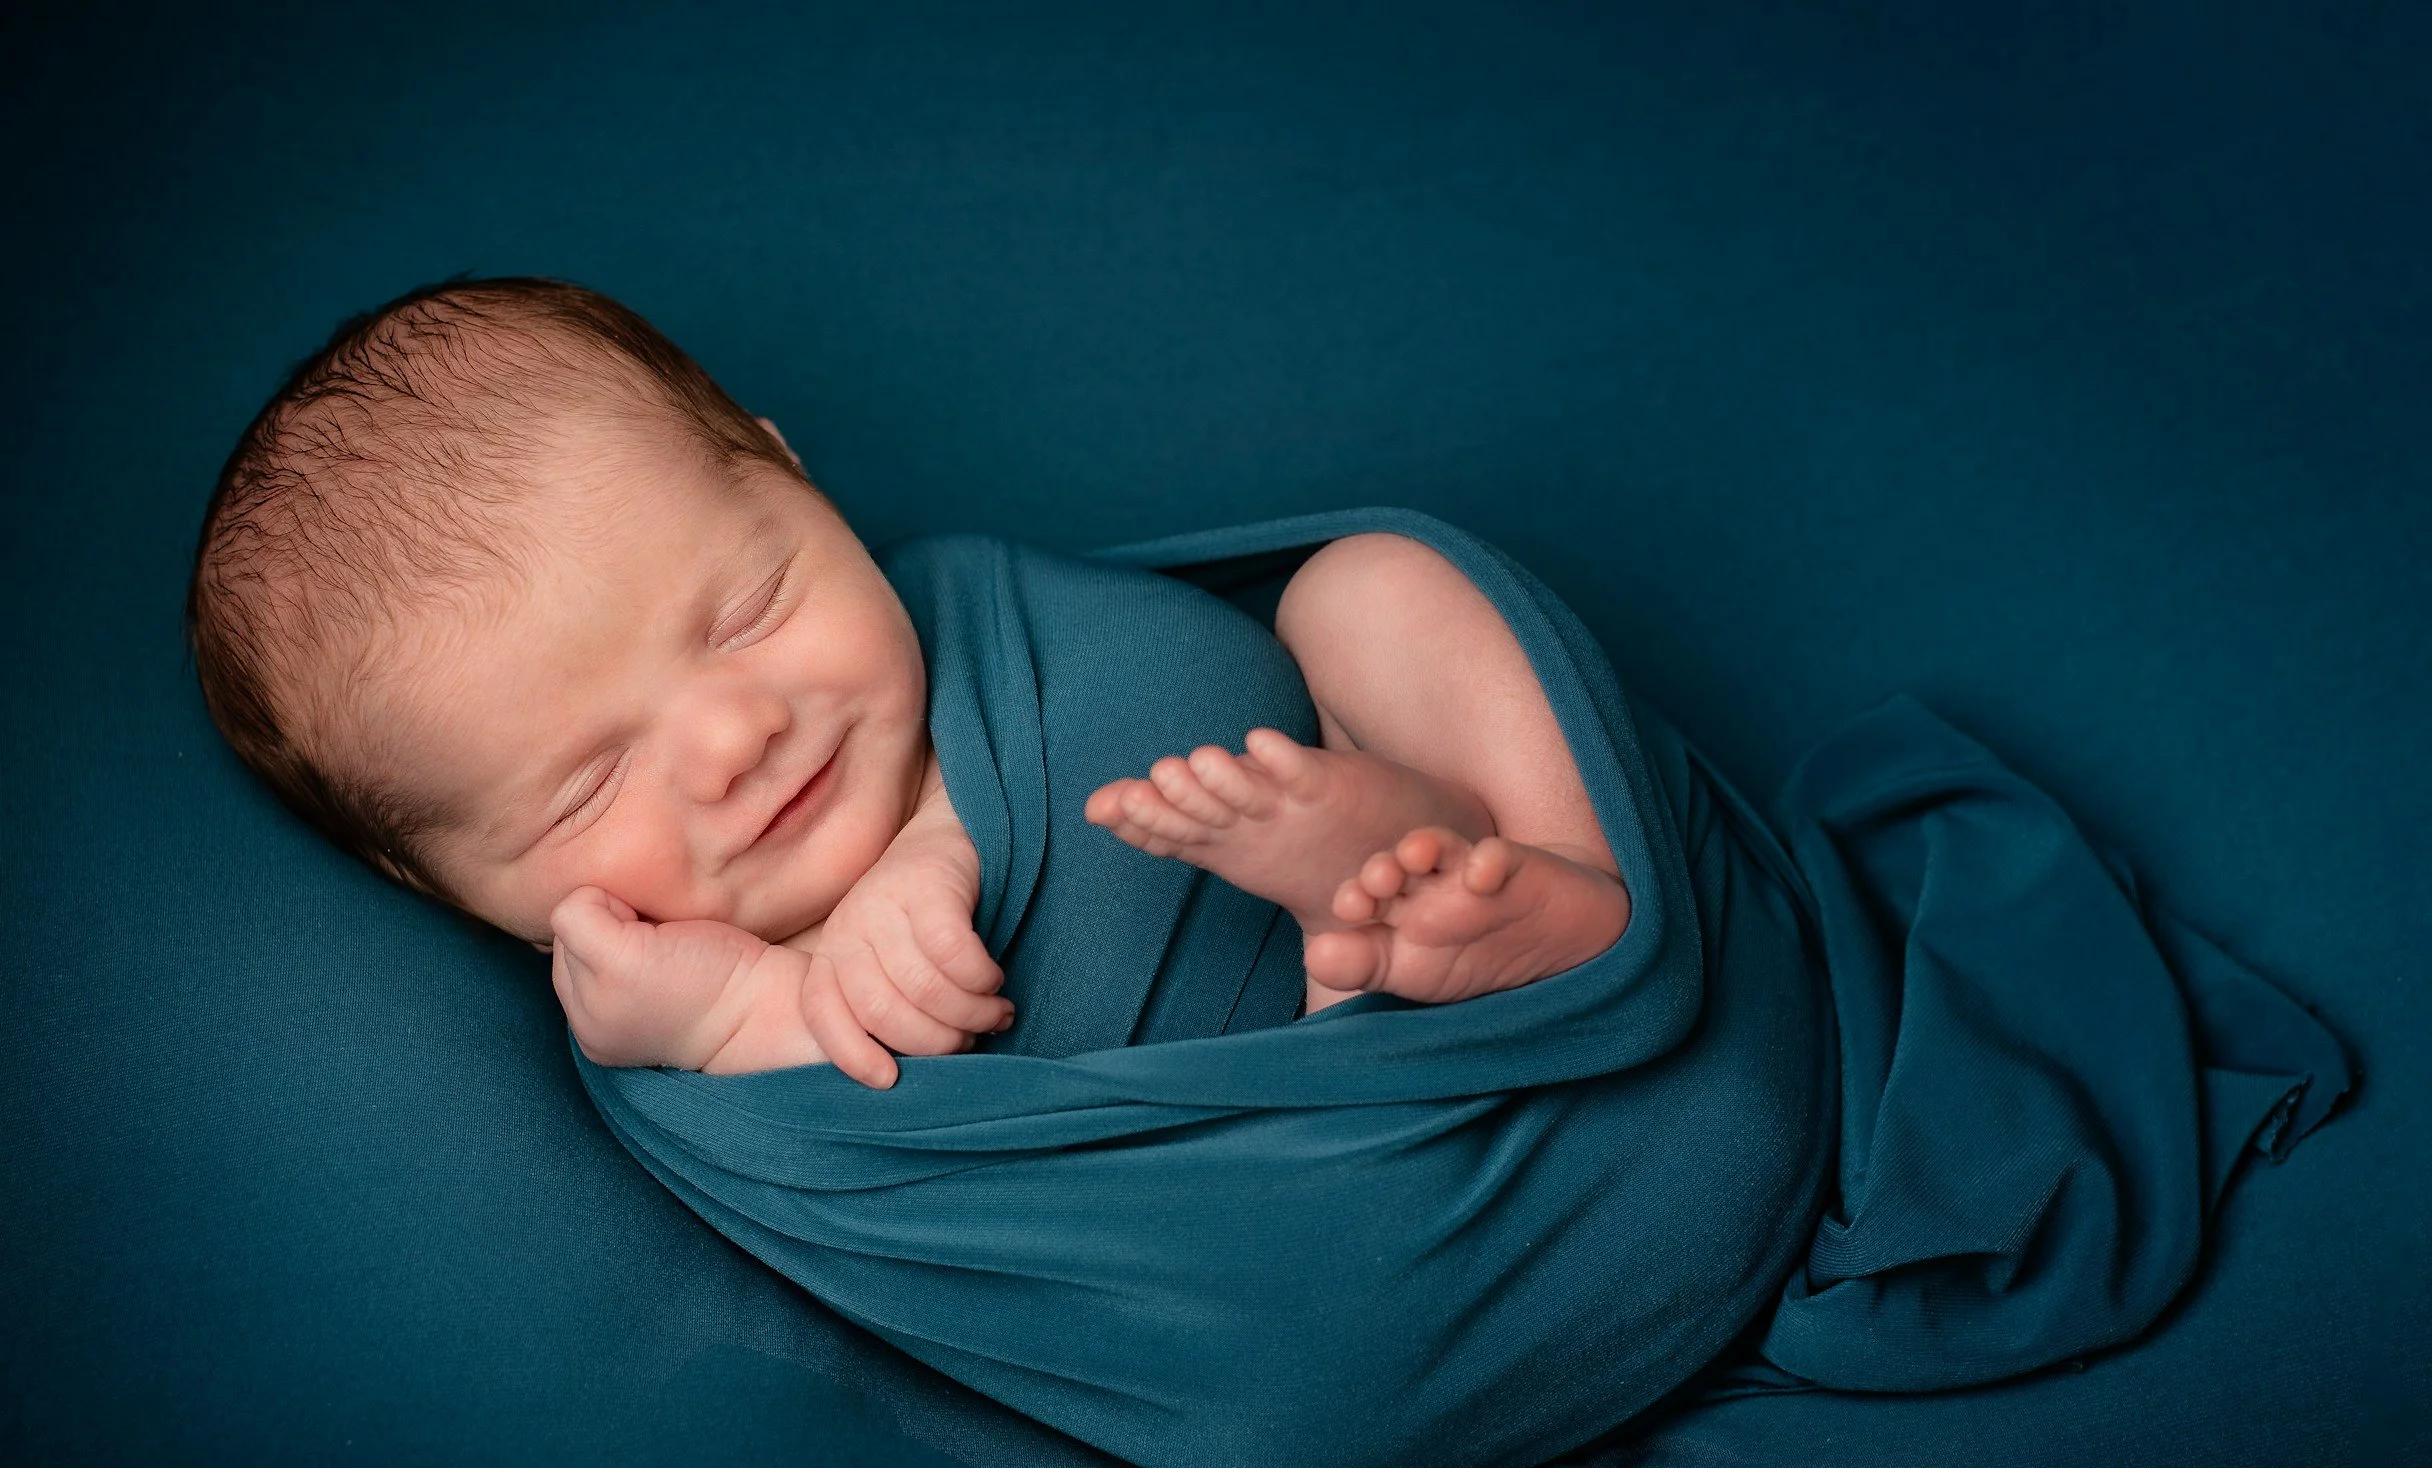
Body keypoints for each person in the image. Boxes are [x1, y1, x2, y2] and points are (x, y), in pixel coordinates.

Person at [188, 277, 1629, 1085]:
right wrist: (749, 1014)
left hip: (1316, 870)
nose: (736, 736)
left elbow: (1178, 680)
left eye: (747, 608)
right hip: (1268, 1182)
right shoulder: (658, 1004)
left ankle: (1544, 887)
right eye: (590, 780)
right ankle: (1378, 973)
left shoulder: (977, 618)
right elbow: (884, 1203)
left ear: (788, 470)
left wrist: (945, 839)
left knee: (1369, 590)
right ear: (439, 887)